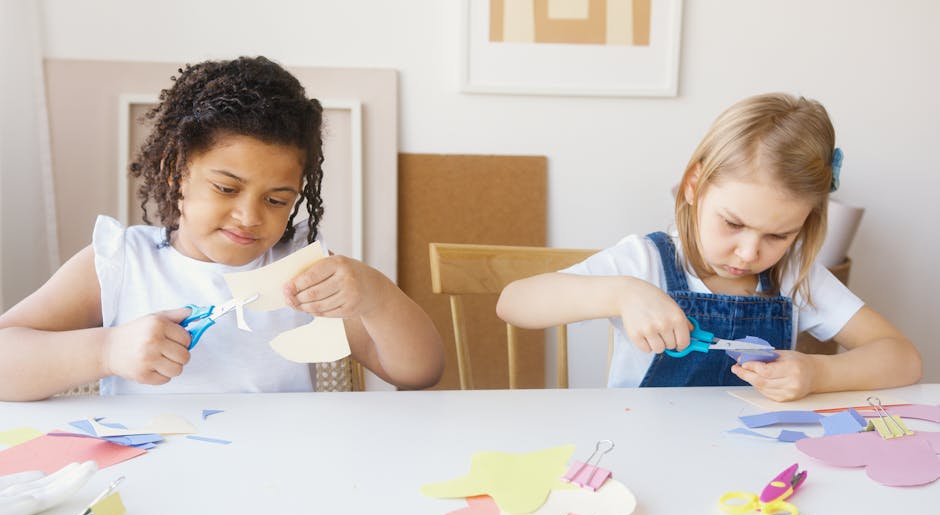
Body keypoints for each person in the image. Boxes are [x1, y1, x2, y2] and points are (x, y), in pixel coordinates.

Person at [0, 56, 444, 401]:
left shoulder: (301, 269)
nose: (250, 217)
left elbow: (420, 372)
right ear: (176, 172)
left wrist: (378, 295)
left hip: (279, 481)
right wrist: (105, 352)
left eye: (276, 200)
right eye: (227, 188)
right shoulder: (121, 262)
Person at [497, 93, 921, 401]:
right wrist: (620, 292)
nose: (749, 253)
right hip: (639, 449)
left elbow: (902, 359)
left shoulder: (796, 277)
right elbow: (514, 302)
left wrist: (819, 371)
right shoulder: (644, 263)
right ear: (693, 186)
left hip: (754, 465)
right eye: (733, 223)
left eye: (778, 236)